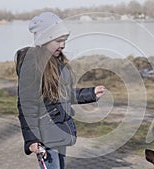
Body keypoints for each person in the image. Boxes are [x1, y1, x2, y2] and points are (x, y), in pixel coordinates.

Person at [15, 12, 106, 169]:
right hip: (44, 136)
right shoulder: (32, 65)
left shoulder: (57, 62)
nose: (63, 45)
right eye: (58, 40)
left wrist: (90, 94)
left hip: (58, 130)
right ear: (45, 39)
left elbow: (62, 95)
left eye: (64, 40)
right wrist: (31, 140)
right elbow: (26, 106)